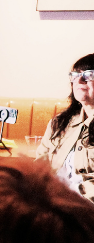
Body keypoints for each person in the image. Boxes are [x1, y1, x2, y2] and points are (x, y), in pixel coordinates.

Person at [35, 53, 94, 200]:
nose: (79, 80)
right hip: (54, 202)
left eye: (88, 75)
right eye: (75, 75)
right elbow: (40, 166)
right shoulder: (59, 123)